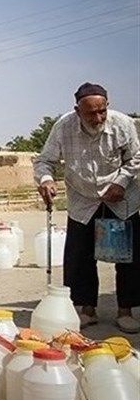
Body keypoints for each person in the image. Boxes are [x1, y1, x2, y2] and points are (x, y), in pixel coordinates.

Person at [34, 82, 140, 334]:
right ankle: (86, 310)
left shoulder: (123, 124)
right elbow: (44, 161)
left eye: (102, 111)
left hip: (120, 198)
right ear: (77, 110)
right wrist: (46, 180)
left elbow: (136, 157)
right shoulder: (63, 126)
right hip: (83, 200)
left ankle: (125, 311)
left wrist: (121, 182)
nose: (98, 117)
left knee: (127, 257)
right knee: (79, 257)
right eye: (91, 113)